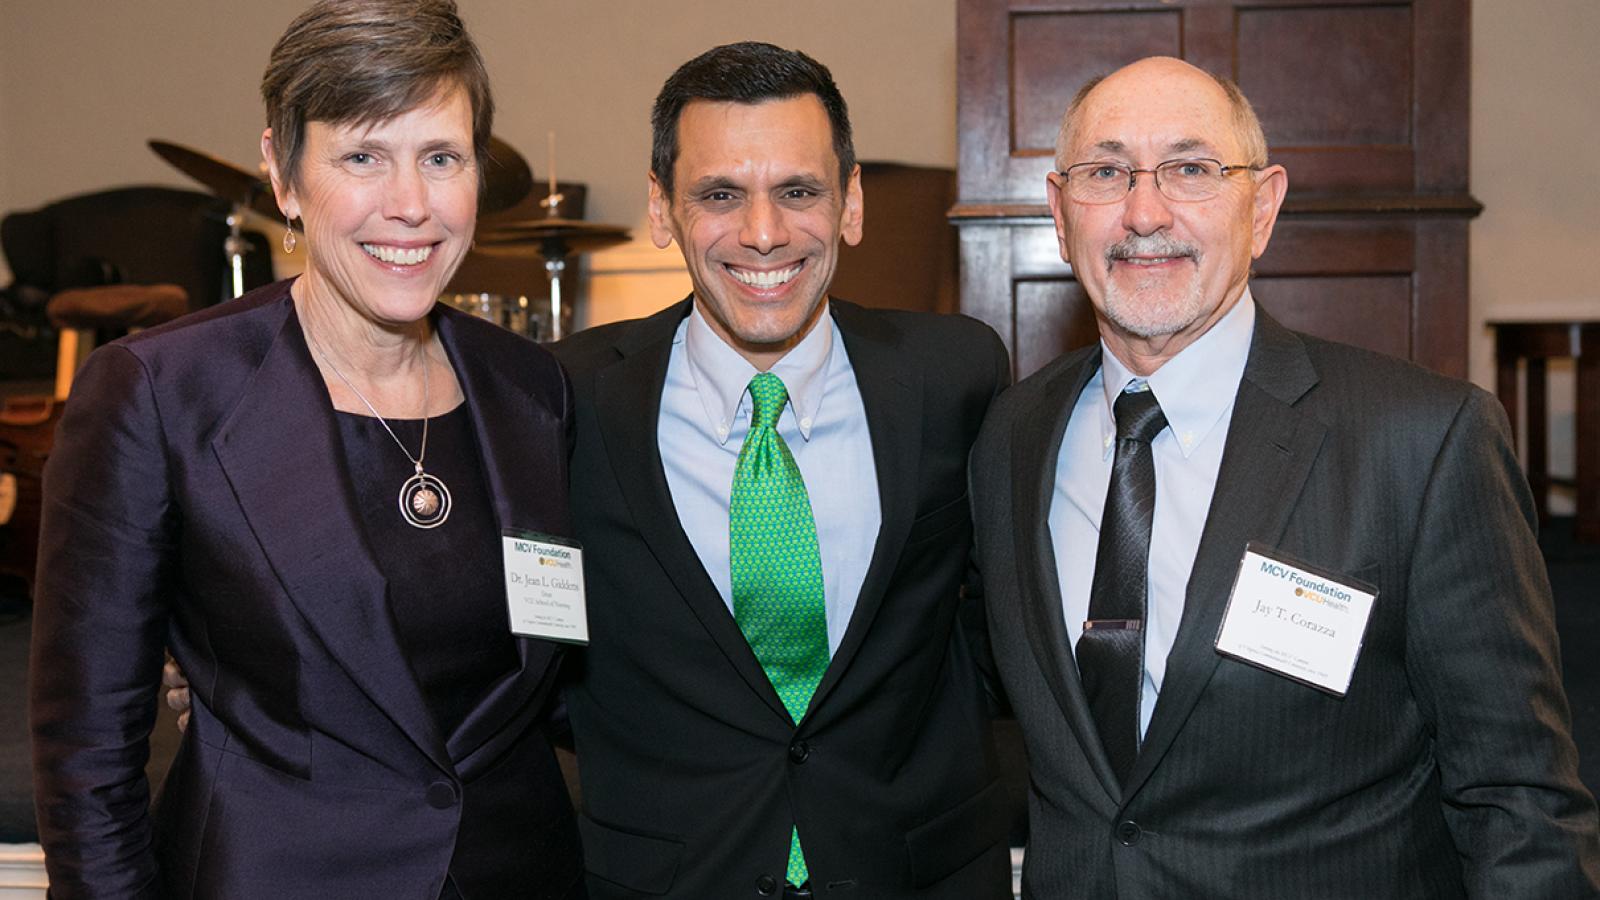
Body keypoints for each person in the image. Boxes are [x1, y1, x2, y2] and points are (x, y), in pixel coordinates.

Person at [970, 55, 1600, 897]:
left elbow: (1519, 802)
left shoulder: (1422, 441)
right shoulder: (1012, 435)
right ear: (1059, 211)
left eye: (1192, 170)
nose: (1144, 211)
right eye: (1105, 172)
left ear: (1262, 206)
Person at [29, 2, 583, 897]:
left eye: (440, 157)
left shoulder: (533, 389)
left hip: (521, 871)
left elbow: (563, 679)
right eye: (362, 155)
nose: (410, 205)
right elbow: (88, 754)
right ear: (284, 177)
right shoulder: (160, 392)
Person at [549, 42, 1013, 899]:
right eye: (720, 195)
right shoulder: (567, 397)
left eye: (798, 191)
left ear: (851, 203)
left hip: (916, 869)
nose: (763, 234)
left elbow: (999, 619)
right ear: (662, 209)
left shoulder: (956, 375)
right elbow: (542, 662)